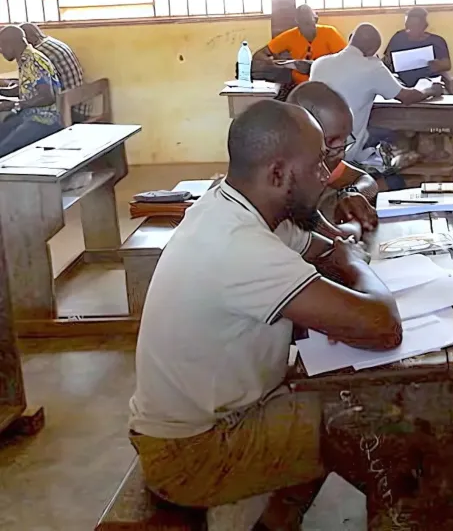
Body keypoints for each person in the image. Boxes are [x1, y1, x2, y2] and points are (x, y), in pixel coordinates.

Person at [129, 99, 402, 530]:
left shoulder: (237, 206)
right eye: (317, 166)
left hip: (218, 417)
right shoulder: (239, 244)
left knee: (344, 395)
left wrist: (340, 260)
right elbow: (382, 326)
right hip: (196, 451)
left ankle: (275, 518)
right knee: (380, 423)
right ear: (277, 174)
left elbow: (321, 251)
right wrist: (355, 263)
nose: (326, 177)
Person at [310, 23, 444, 166]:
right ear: (372, 50)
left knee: (378, 129)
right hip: (346, 148)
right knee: (403, 136)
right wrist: (431, 89)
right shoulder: (373, 68)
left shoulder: (319, 63)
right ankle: (387, 174)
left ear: (350, 39)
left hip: (316, 147)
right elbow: (408, 97)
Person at [286, 81, 379, 241]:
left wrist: (352, 193)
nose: (341, 152)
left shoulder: (323, 161)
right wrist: (354, 224)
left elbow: (367, 181)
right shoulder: (286, 182)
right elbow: (335, 238)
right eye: (332, 141)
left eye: (345, 140)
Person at [0, 25, 62, 158]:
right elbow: (27, 88)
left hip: (45, 120)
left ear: (11, 44)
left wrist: (14, 105)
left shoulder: (34, 61)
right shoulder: (25, 59)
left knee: (4, 150)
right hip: (29, 115)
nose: (1, 51)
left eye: (1, 47)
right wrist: (2, 92)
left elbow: (47, 97)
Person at [253, 5, 347, 87]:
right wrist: (269, 61)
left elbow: (345, 59)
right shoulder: (289, 36)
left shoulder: (330, 33)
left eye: (308, 23)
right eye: (302, 24)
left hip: (326, 83)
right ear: (297, 23)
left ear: (316, 20)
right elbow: (259, 54)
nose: (306, 28)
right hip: (299, 86)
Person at [20, 23, 89, 124]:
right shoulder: (51, 42)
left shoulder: (38, 53)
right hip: (80, 102)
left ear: (28, 38)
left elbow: (37, 90)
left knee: (20, 117)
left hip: (69, 110)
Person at [383, 7, 451, 87]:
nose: (410, 29)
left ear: (424, 26)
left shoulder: (436, 41)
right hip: (401, 83)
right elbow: (387, 60)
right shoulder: (398, 38)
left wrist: (437, 64)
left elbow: (447, 65)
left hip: (428, 82)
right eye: (408, 26)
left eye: (415, 26)